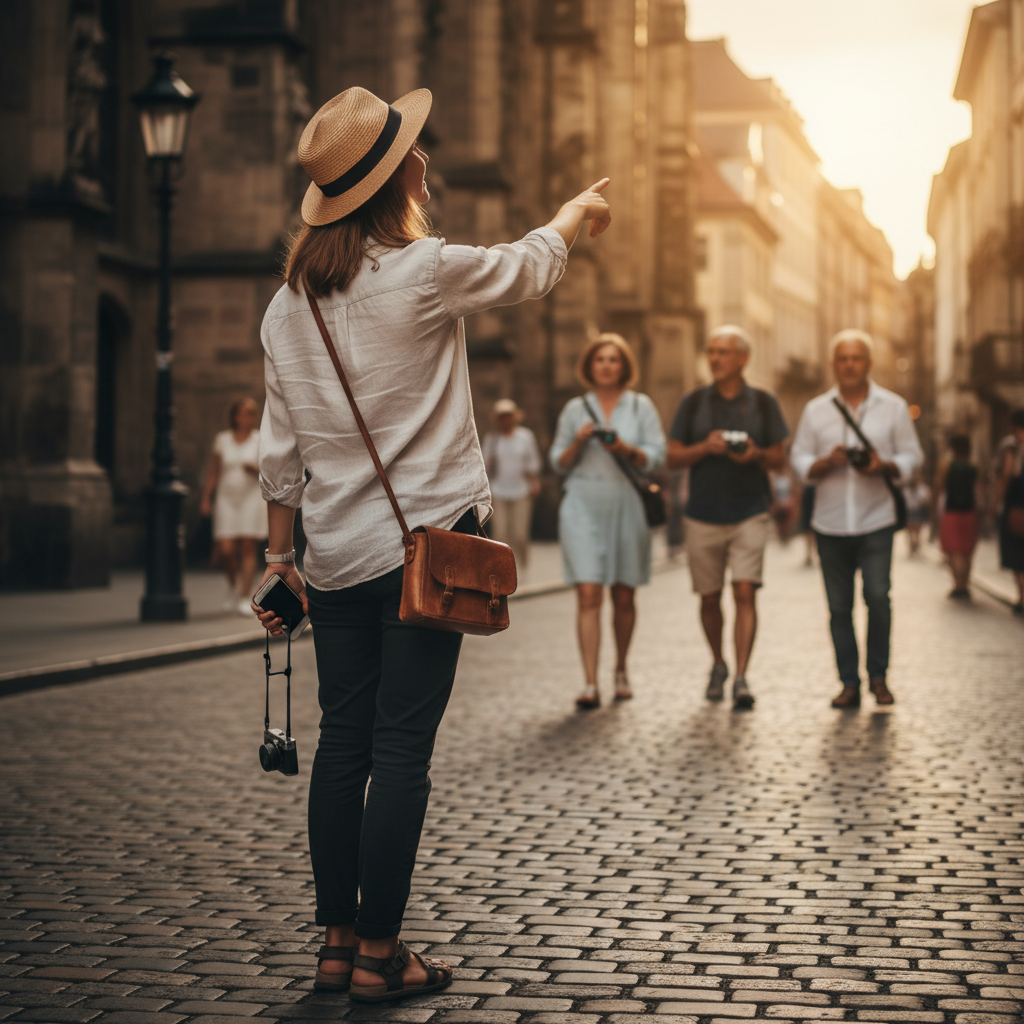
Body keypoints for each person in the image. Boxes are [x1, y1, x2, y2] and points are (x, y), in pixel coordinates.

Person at [252, 85, 611, 1002]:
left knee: (343, 747)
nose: (426, 157)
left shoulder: (286, 309)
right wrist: (573, 214)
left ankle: (336, 946)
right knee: (402, 752)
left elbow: (280, 455)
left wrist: (278, 561)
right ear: (389, 178)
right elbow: (528, 268)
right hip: (424, 553)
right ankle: (380, 955)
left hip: (330, 559)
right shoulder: (422, 269)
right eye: (412, 149)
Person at [791, 329, 923, 708]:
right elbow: (798, 459)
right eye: (843, 359)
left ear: (869, 363)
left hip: (876, 518)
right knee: (838, 608)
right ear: (834, 364)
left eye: (857, 358)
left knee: (879, 598)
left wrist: (887, 464)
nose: (849, 365)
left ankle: (878, 677)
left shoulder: (893, 407)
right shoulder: (816, 409)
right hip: (829, 522)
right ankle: (849, 682)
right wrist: (821, 463)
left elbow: (914, 457)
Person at [666, 326, 789, 710]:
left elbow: (780, 459)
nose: (715, 358)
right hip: (702, 512)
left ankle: (741, 676)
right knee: (709, 597)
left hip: (750, 510)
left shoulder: (764, 403)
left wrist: (754, 455)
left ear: (742, 359)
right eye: (711, 351)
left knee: (744, 590)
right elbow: (671, 456)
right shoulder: (693, 402)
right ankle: (718, 663)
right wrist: (706, 447)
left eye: (723, 352)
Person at [550, 333, 666, 709]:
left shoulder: (640, 405)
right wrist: (579, 442)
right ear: (590, 365)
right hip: (582, 500)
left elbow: (656, 454)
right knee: (588, 593)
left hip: (625, 501)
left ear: (624, 366)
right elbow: (557, 462)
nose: (606, 365)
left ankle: (620, 669)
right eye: (600, 358)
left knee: (624, 593)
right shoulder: (574, 408)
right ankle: (589, 682)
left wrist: (625, 449)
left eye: (614, 359)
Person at [199, 396, 268, 614]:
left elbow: (270, 472)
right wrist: (206, 498)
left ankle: (244, 595)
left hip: (251, 498)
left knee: (248, 546)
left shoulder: (260, 439)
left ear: (253, 417)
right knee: (226, 548)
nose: (244, 417)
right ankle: (232, 585)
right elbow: (214, 472)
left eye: (248, 413)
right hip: (227, 499)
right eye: (240, 413)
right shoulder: (223, 439)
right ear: (234, 416)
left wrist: (255, 469)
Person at [481, 398, 541, 570]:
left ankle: (523, 566)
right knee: (500, 534)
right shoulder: (492, 439)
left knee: (520, 534)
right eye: (502, 416)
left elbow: (533, 462)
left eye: (508, 416)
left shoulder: (525, 436)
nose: (505, 420)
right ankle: (503, 568)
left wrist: (533, 481)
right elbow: (485, 465)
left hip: (521, 490)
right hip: (499, 490)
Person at [936, 435, 980, 599]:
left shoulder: (946, 466)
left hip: (951, 512)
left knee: (954, 550)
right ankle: (965, 584)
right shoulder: (974, 466)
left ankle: (958, 584)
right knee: (966, 550)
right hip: (970, 512)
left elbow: (939, 488)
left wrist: (934, 509)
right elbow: (979, 491)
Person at [996, 408, 1024, 614]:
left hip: (1017, 505)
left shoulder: (1013, 447)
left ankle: (1022, 597)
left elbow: (1006, 476)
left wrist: (997, 501)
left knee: (1016, 550)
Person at [903, 472, 931, 556]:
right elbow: (926, 499)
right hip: (916, 511)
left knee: (912, 532)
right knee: (916, 532)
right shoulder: (922, 488)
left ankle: (913, 546)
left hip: (911, 511)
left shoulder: (907, 489)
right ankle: (914, 545)